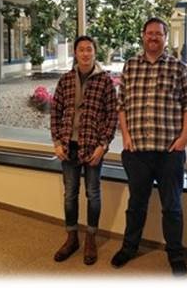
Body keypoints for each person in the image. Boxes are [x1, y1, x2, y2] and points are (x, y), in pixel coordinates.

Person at [111, 17, 187, 277]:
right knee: (136, 204)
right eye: (149, 33)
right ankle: (129, 247)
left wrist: (183, 139)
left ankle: (175, 254)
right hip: (137, 152)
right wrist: (125, 136)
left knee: (172, 206)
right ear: (143, 36)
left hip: (169, 152)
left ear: (165, 38)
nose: (153, 37)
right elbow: (121, 105)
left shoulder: (177, 68)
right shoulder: (130, 66)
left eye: (158, 34)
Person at [51, 35, 118, 265]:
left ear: (95, 53)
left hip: (93, 147)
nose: (85, 54)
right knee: (70, 194)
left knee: (93, 194)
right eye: (81, 50)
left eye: (89, 49)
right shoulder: (66, 80)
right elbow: (55, 112)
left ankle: (90, 238)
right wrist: (57, 142)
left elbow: (112, 115)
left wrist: (103, 145)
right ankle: (72, 237)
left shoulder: (105, 81)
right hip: (68, 146)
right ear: (75, 53)